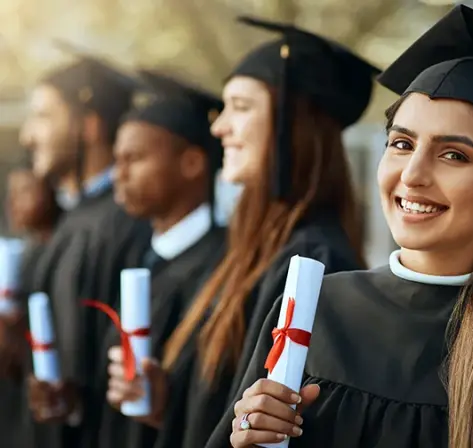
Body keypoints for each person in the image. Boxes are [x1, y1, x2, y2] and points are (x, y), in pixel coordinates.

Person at [212, 5, 473, 448]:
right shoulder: (313, 311)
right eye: (402, 144)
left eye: (453, 155)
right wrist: (247, 436)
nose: (413, 175)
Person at [105, 16, 379, 448]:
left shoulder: (315, 260)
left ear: (293, 126)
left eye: (241, 107)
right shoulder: (254, 249)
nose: (219, 127)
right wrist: (163, 402)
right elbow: (226, 406)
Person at [18, 42, 151, 448]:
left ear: (89, 126)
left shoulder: (117, 225)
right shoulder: (72, 219)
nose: (28, 135)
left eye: (43, 117)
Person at [89, 70, 227, 448]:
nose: (119, 174)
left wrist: (170, 408)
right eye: (117, 159)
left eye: (134, 158)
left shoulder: (224, 270)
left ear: (192, 163)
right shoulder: (139, 255)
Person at [0, 168, 61, 448]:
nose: (13, 203)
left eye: (24, 191)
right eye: (10, 195)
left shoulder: (65, 249)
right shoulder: (26, 252)